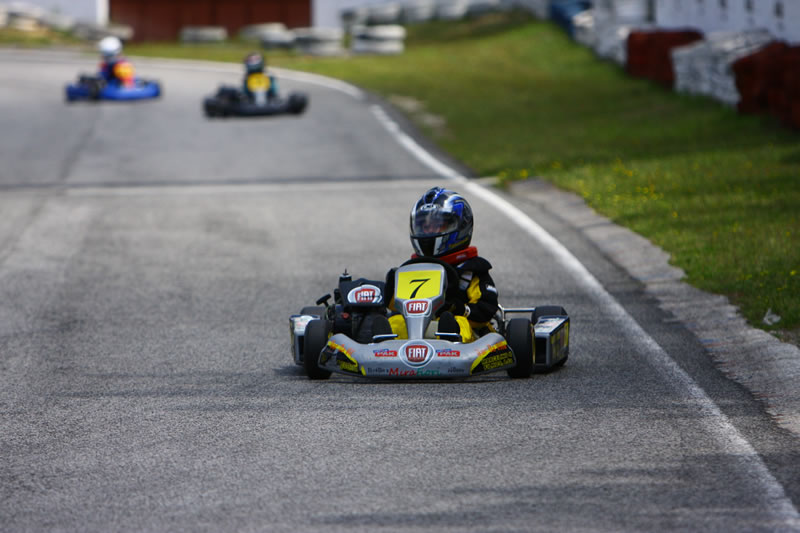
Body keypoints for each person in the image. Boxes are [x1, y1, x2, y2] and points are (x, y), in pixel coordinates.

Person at [384, 186, 499, 342]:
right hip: (416, 328)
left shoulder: (471, 270)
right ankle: (382, 342)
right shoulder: (411, 269)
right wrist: (389, 289)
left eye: (438, 225)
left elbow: (486, 310)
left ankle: (450, 339)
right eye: (425, 226)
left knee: (459, 323)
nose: (430, 231)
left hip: (466, 332)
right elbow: (392, 306)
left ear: (461, 226)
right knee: (395, 322)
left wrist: (456, 307)